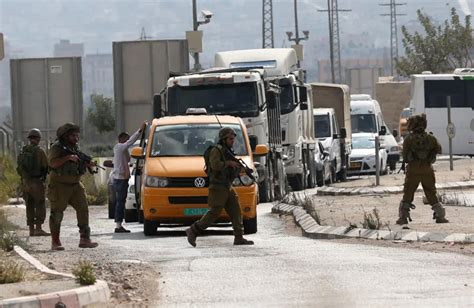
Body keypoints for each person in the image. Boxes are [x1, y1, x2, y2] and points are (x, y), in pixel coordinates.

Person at [185, 127, 254, 247]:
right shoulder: (216, 150)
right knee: (214, 211)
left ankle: (239, 237)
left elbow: (231, 168)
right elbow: (215, 165)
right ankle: (193, 230)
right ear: (224, 139)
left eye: (233, 139)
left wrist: (241, 168)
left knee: (236, 210)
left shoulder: (228, 151)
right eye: (230, 139)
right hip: (218, 186)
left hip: (227, 185)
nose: (233, 141)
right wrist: (228, 163)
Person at [48, 123, 98, 250]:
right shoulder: (57, 147)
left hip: (75, 184)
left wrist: (87, 164)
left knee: (83, 209)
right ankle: (55, 241)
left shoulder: (75, 148)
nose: (76, 138)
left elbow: (78, 162)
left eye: (77, 136)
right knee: (57, 213)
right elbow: (53, 163)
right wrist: (68, 158)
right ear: (66, 136)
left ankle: (85, 239)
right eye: (73, 136)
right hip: (60, 185)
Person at [396, 113, 449, 225]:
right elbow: (439, 149)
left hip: (413, 171)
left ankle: (403, 217)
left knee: (408, 193)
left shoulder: (408, 140)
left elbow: (405, 156)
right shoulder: (431, 138)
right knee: (431, 193)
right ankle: (440, 215)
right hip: (427, 170)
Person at [112, 121, 147, 233]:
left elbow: (127, 160)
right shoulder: (120, 147)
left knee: (121, 202)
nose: (128, 141)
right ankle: (118, 225)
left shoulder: (122, 150)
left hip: (122, 179)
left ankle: (119, 224)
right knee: (120, 202)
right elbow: (131, 141)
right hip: (120, 179)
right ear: (121, 139)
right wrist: (139, 130)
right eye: (126, 139)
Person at [16, 128, 49, 236]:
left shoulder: (23, 151)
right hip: (37, 182)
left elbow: (19, 167)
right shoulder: (40, 151)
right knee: (39, 204)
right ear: (38, 138)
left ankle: (31, 229)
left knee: (29, 204)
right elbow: (45, 166)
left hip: (25, 182)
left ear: (29, 139)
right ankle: (38, 228)